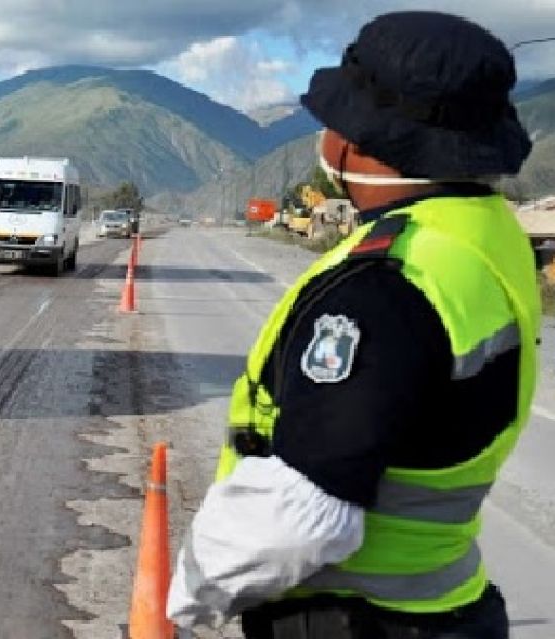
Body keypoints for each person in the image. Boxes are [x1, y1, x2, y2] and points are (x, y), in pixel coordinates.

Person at [167, 11, 540, 639]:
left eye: (333, 120)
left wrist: (191, 592)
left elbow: (303, 515)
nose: (326, 138)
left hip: (357, 620)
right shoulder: (487, 237)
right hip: (451, 604)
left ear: (359, 144)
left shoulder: (386, 281)